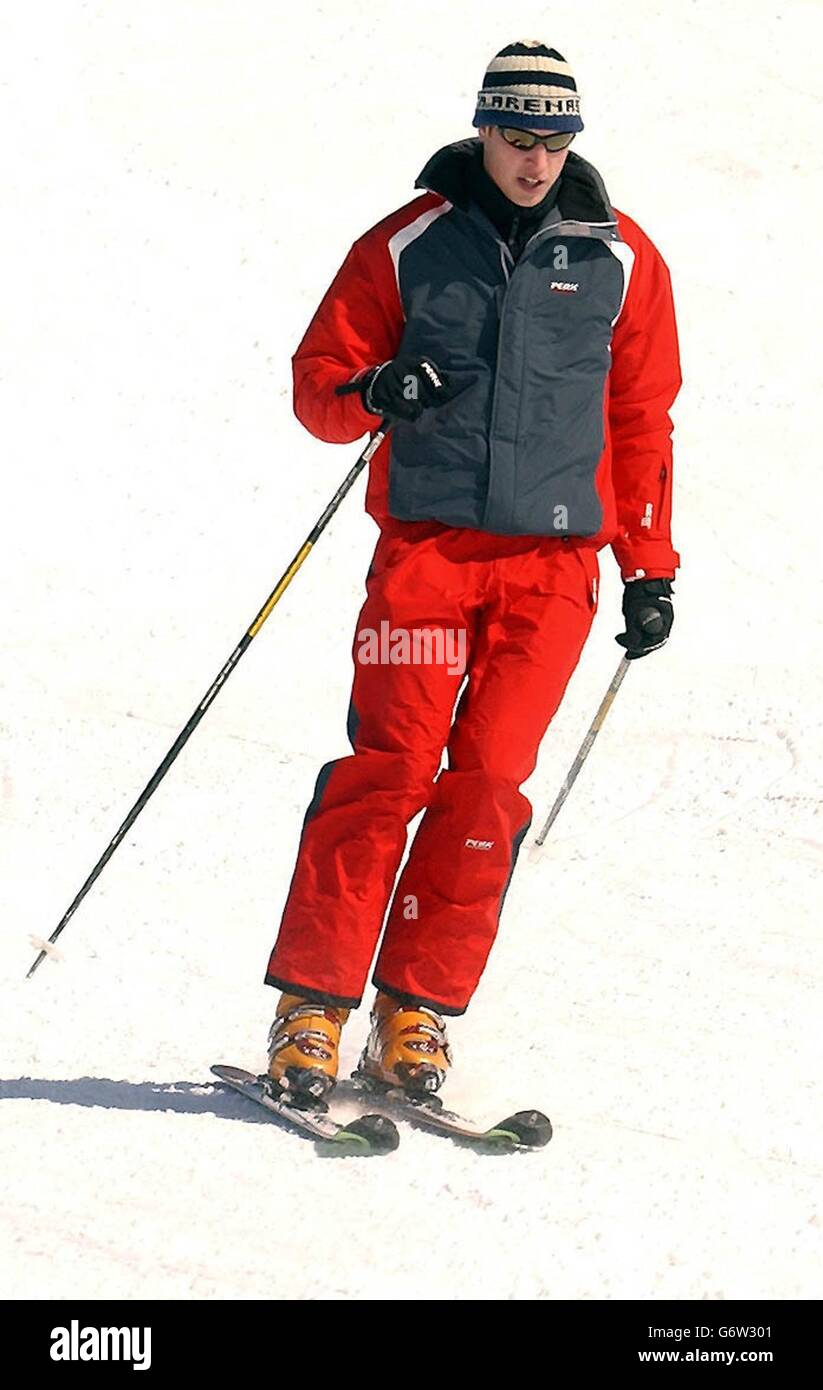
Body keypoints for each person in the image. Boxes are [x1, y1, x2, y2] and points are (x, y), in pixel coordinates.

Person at [263, 40, 681, 1103]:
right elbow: (319, 388)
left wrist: (648, 564)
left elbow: (639, 421)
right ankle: (311, 1008)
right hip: (427, 557)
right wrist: (377, 390)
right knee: (389, 771)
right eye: (517, 136)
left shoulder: (622, 260)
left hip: (551, 573)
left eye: (555, 140)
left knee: (488, 784)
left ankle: (415, 1014)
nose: (536, 160)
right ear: (483, 128)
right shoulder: (406, 245)